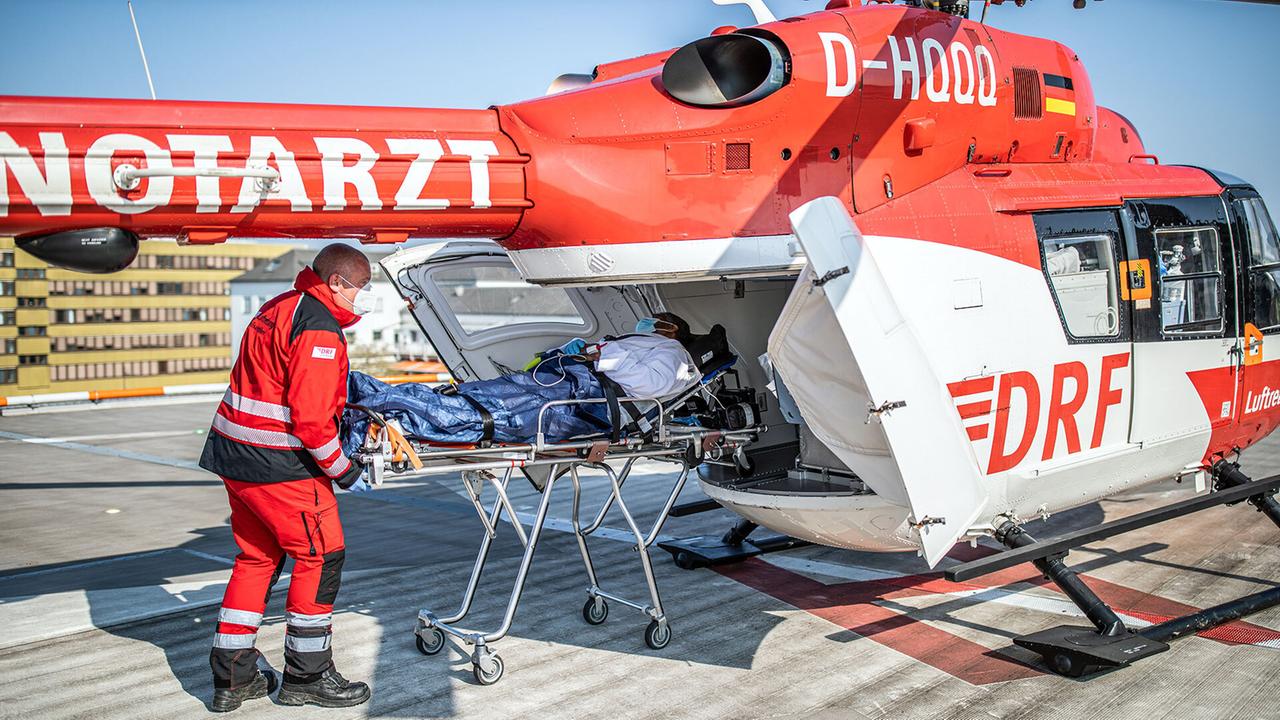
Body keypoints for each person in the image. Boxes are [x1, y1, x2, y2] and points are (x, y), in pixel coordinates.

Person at [198, 244, 374, 712]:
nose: (363, 296)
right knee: (321, 557)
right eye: (361, 286)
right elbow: (312, 420)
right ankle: (307, 676)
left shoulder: (279, 307)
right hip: (282, 467)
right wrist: (344, 470)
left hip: (235, 457)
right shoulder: (319, 327)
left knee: (256, 560)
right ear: (336, 282)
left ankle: (233, 677)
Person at [341, 312, 701, 451]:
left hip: (579, 402)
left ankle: (373, 404)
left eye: (656, 320)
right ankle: (364, 395)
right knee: (468, 397)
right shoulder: (643, 342)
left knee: (485, 414)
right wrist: (578, 352)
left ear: (672, 328)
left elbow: (649, 384)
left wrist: (602, 355)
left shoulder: (674, 354)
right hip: (564, 386)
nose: (647, 322)